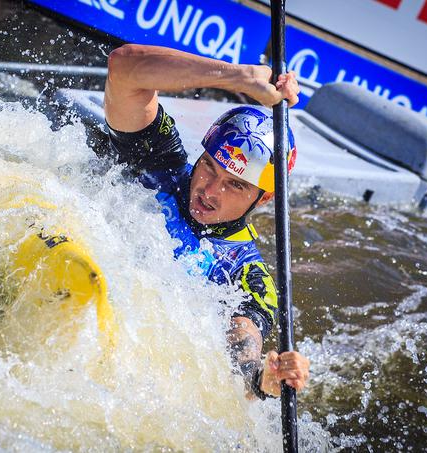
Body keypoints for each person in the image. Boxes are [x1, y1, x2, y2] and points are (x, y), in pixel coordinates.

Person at [103, 44, 309, 400]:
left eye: (235, 184)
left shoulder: (247, 272)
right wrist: (238, 77)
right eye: (210, 167)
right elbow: (124, 69)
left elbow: (241, 349)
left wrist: (262, 379)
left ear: (264, 197)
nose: (209, 191)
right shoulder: (159, 164)